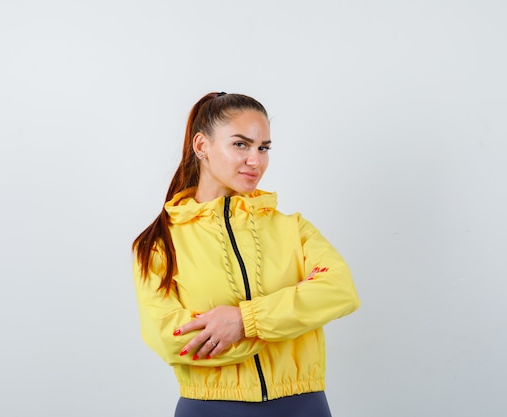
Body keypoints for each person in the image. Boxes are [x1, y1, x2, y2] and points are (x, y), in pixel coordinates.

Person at [132, 92, 360, 417]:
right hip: (209, 410)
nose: (256, 160)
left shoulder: (294, 229)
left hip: (303, 406)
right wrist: (292, 321)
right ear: (202, 147)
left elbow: (339, 291)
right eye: (241, 144)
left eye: (263, 147)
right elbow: (173, 340)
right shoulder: (159, 244)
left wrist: (245, 322)